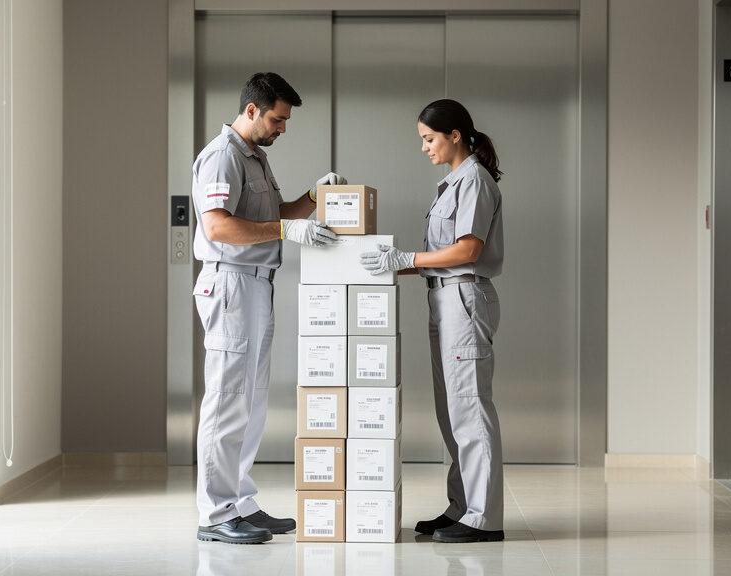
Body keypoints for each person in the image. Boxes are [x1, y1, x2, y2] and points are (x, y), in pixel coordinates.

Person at [191, 72, 346, 544]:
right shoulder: (221, 157)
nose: (283, 128)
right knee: (226, 399)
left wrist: (313, 199)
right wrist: (285, 232)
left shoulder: (254, 158)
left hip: (258, 285)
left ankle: (240, 502)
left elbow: (272, 216)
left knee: (251, 402)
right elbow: (218, 227)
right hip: (231, 284)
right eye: (278, 119)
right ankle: (216, 515)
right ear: (252, 110)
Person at [360, 99, 505, 543]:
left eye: (428, 139)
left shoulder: (474, 181)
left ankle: (483, 518)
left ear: (455, 135)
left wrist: (407, 258)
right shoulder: (451, 184)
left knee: (469, 406)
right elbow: (438, 257)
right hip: (442, 300)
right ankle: (461, 507)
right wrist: (391, 264)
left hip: (464, 298)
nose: (424, 147)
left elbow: (467, 251)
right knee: (450, 411)